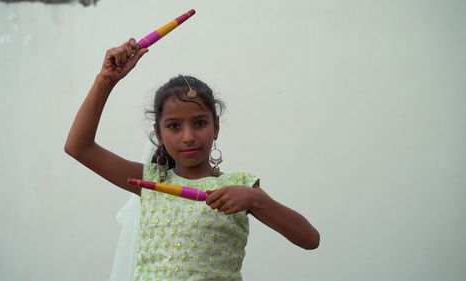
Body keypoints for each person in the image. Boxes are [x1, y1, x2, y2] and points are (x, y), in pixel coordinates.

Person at [65, 38, 320, 281]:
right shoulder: (148, 182)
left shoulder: (240, 187)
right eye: (174, 126)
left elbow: (310, 239)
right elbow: (78, 148)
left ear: (216, 127)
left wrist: (256, 199)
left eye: (199, 123)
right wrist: (106, 80)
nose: (188, 137)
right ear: (159, 134)